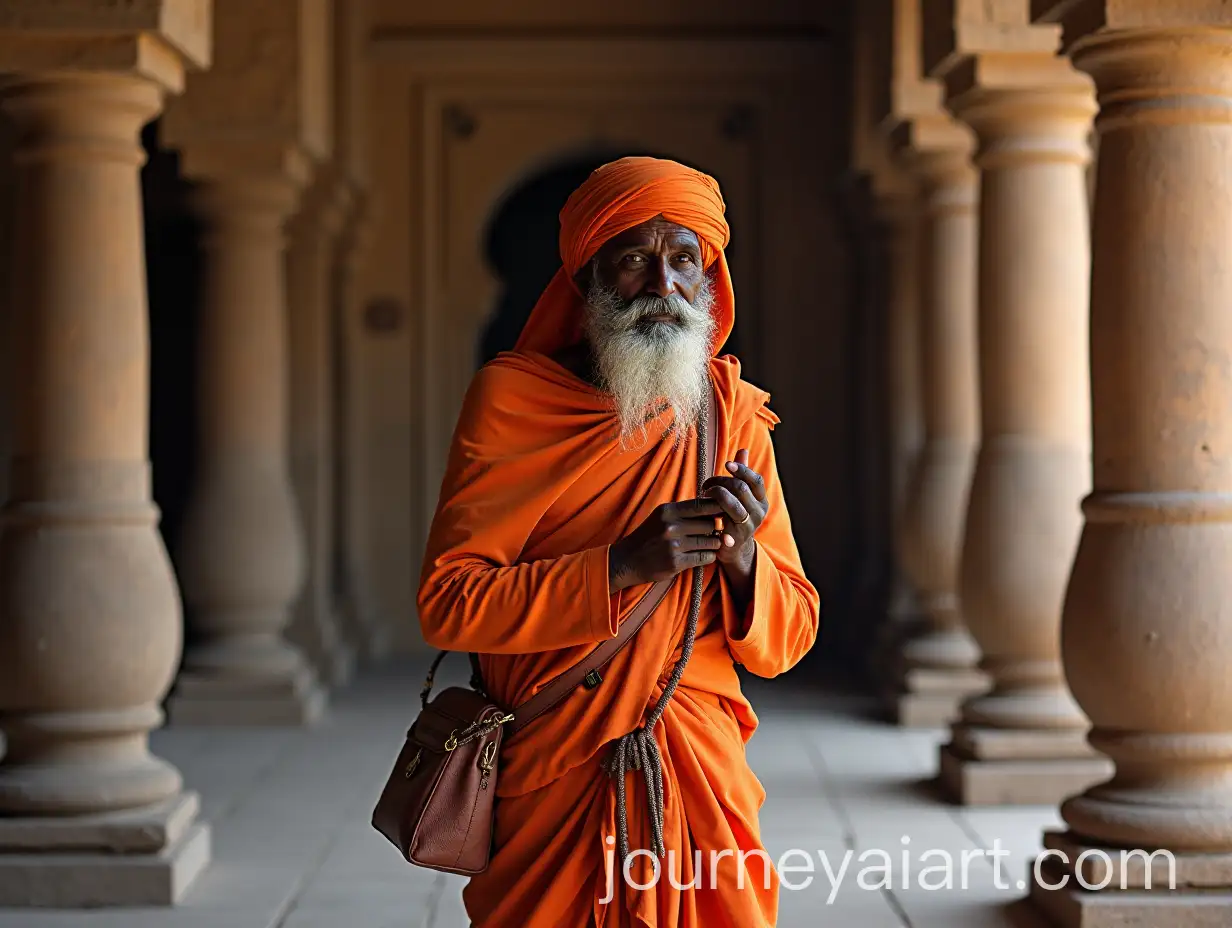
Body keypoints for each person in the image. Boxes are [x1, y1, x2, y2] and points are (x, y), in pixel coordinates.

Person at [417, 155, 820, 927]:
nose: (661, 285)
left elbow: (790, 635)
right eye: (634, 259)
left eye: (683, 260)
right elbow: (448, 604)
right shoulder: (512, 401)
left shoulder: (731, 417)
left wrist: (741, 559)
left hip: (696, 763)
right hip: (551, 766)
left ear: (709, 282)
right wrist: (623, 566)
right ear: (589, 279)